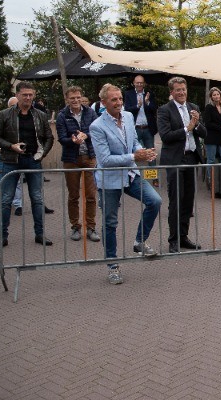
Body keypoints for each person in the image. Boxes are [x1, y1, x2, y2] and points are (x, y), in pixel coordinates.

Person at [89, 83, 162, 285]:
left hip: (130, 174)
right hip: (110, 180)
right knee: (110, 223)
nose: (119, 102)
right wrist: (133, 155)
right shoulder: (97, 126)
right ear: (103, 102)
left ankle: (139, 241)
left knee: (155, 201)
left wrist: (143, 152)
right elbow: (104, 160)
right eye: (114, 99)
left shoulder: (129, 117)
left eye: (120, 98)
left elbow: (135, 141)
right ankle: (112, 266)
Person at [0, 81, 54, 250]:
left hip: (33, 161)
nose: (28, 98)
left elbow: (49, 137)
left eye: (31, 95)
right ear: (17, 95)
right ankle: (2, 236)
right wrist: (11, 146)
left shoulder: (40, 115)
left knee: (38, 199)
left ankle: (40, 234)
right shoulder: (5, 114)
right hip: (11, 161)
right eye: (25, 94)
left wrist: (42, 154)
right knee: (5, 200)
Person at [157, 77, 206, 253]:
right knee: (176, 200)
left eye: (183, 89)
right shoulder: (164, 110)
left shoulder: (194, 107)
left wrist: (197, 123)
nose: (181, 92)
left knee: (188, 201)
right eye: (178, 90)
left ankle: (184, 236)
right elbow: (165, 136)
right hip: (175, 160)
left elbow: (204, 133)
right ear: (171, 92)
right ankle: (173, 239)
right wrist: (188, 128)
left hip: (192, 158)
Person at [55, 86, 100, 242]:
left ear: (82, 97)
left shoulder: (90, 112)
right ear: (67, 99)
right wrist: (73, 140)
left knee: (91, 195)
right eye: (72, 98)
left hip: (89, 156)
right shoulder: (62, 116)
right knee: (73, 196)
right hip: (71, 159)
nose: (75, 100)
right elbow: (61, 138)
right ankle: (75, 226)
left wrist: (86, 135)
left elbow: (96, 131)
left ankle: (91, 227)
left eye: (78, 97)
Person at [124, 75, 159, 187]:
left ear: (144, 84)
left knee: (150, 153)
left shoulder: (149, 94)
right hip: (135, 128)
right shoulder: (128, 94)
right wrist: (138, 106)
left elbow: (154, 109)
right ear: (134, 83)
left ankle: (153, 177)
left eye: (141, 83)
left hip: (148, 128)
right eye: (137, 83)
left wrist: (147, 103)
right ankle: (129, 176)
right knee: (131, 152)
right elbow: (127, 110)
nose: (139, 84)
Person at [202, 86, 221, 186]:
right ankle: (211, 181)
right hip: (211, 137)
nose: (216, 96)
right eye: (214, 95)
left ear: (220, 95)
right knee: (211, 160)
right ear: (211, 97)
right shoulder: (208, 107)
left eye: (217, 94)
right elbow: (208, 123)